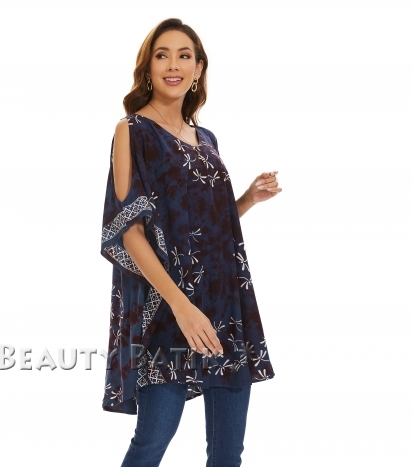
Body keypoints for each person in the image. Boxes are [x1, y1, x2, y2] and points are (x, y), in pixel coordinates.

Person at [99, 18, 282, 466]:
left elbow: (205, 227)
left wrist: (247, 200)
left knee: (227, 453)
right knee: (152, 442)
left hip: (225, 306)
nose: (173, 65)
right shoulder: (133, 130)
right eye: (162, 55)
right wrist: (181, 307)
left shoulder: (207, 138)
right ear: (148, 67)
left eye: (185, 56)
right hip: (170, 311)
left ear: (199, 69)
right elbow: (129, 230)